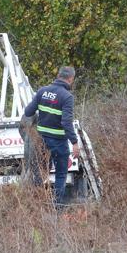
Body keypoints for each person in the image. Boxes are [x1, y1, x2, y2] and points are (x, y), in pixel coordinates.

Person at [24, 66, 79, 207]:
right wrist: (74, 142)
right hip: (59, 142)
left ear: (58, 75)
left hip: (41, 141)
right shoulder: (67, 97)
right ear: (70, 79)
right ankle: (57, 207)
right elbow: (66, 122)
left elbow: (28, 112)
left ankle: (38, 204)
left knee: (40, 173)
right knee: (61, 174)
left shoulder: (42, 91)